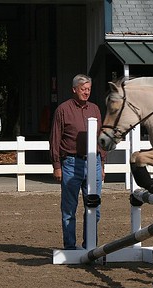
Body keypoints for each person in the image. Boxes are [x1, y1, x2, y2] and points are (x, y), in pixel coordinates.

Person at [49, 74, 106, 250]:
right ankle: (70, 246)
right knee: (69, 208)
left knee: (94, 207)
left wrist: (102, 164)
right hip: (71, 163)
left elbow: (101, 137)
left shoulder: (95, 109)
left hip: (93, 161)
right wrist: (56, 165)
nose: (86, 92)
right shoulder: (63, 110)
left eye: (88, 89)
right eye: (83, 89)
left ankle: (90, 246)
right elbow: (55, 138)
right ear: (74, 89)